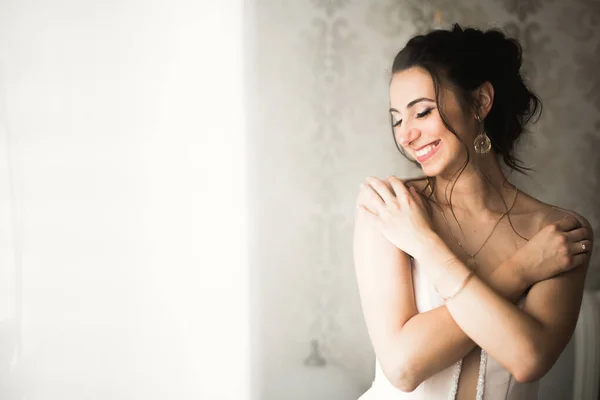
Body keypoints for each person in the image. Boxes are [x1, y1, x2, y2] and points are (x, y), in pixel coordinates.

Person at [353, 24, 594, 400]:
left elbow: (529, 357)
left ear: (481, 102)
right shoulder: (391, 209)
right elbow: (402, 367)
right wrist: (521, 269)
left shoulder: (557, 232)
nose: (406, 135)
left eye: (423, 112)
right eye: (398, 119)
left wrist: (423, 244)